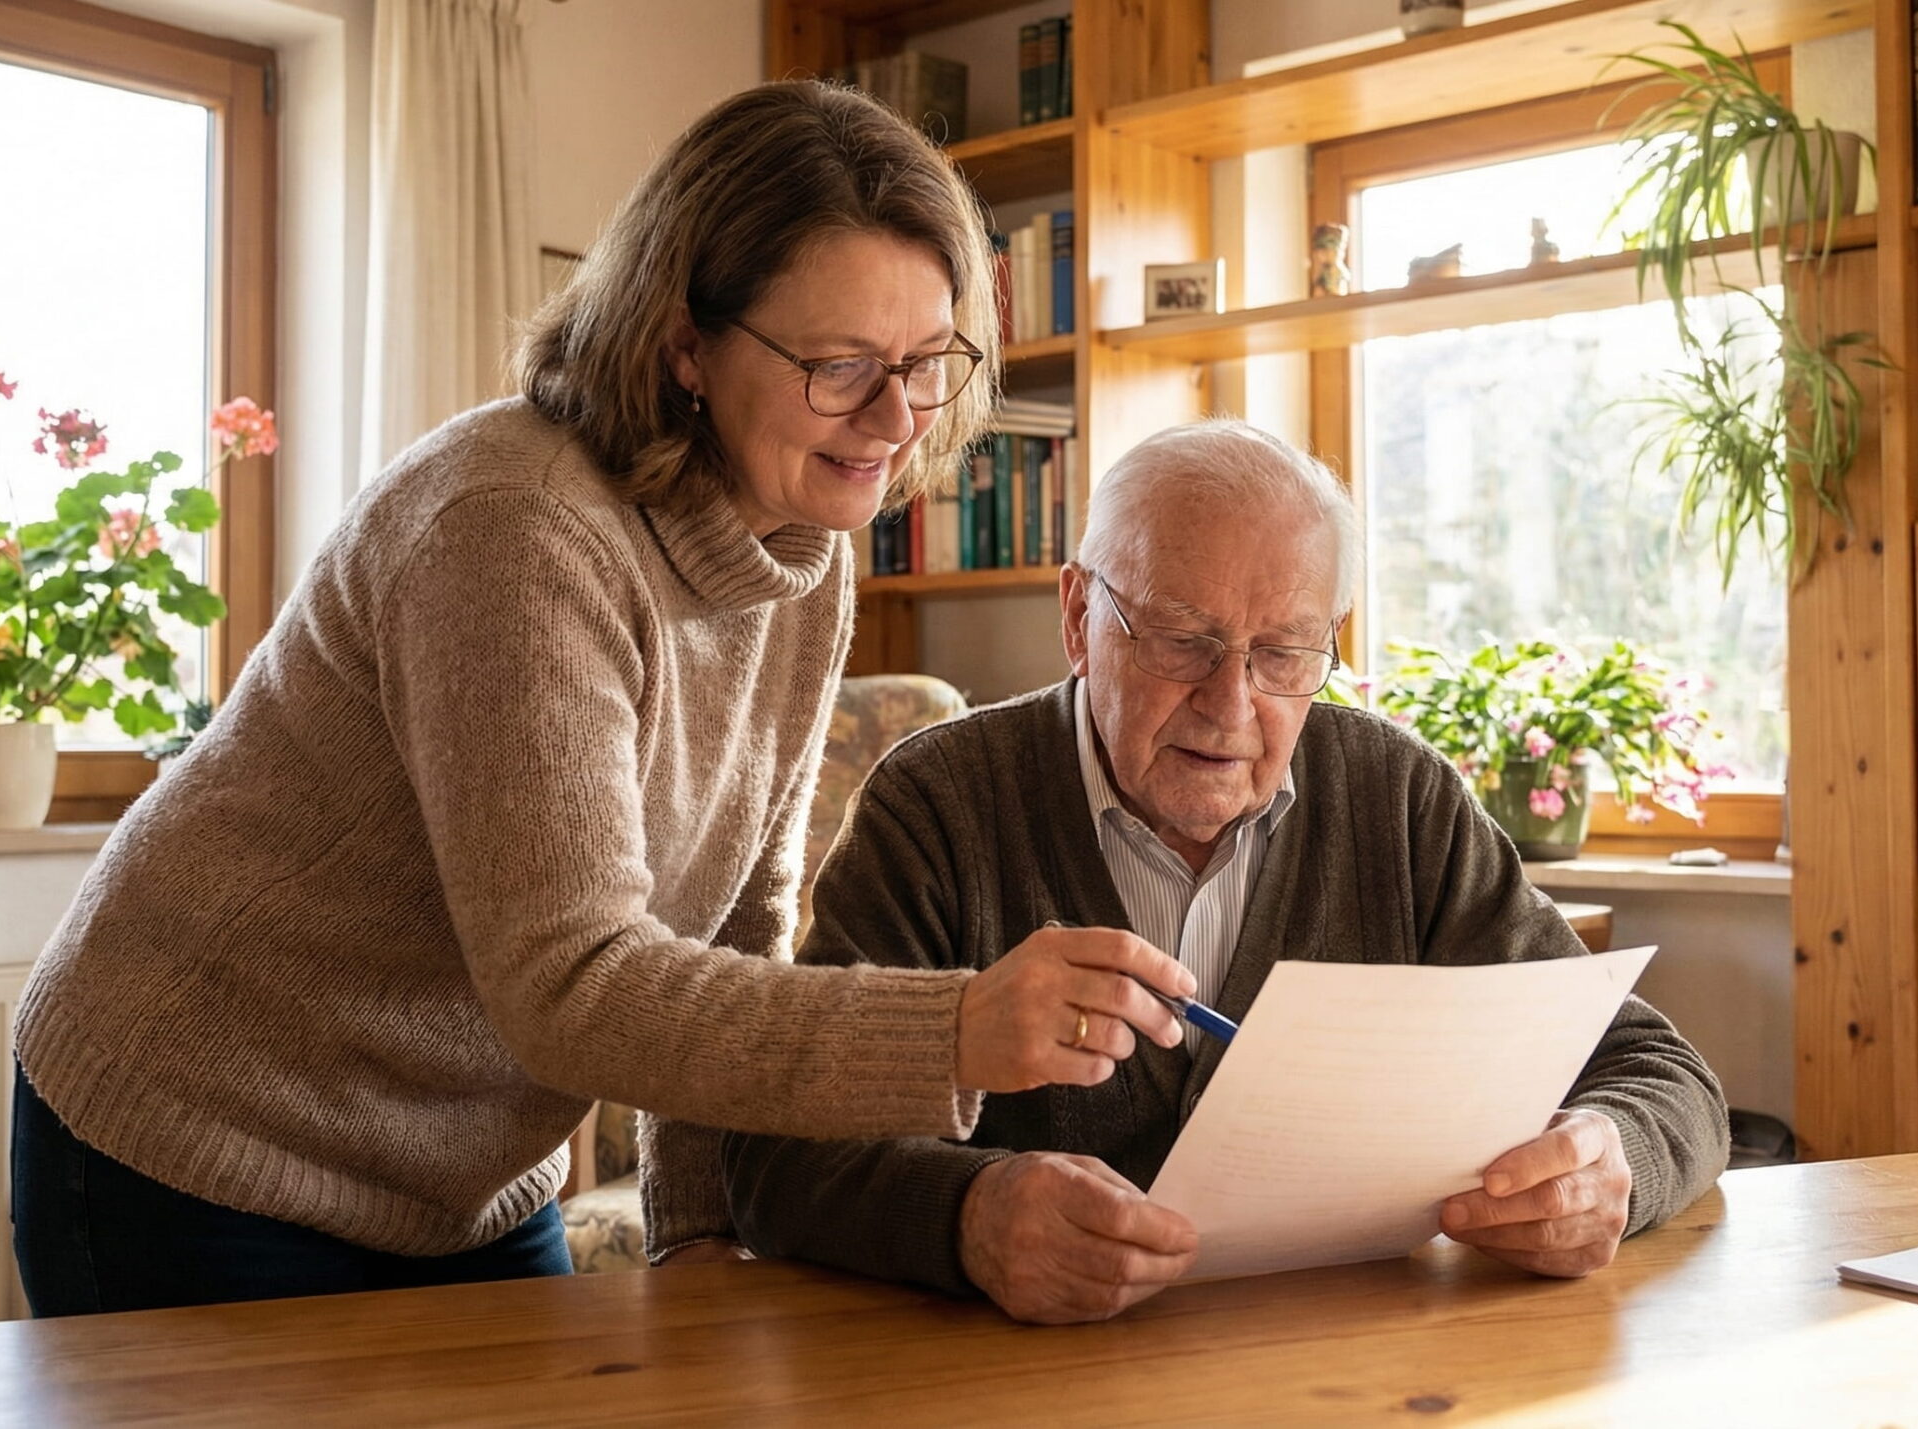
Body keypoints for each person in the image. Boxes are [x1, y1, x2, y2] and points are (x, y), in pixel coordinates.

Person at [7, 81, 1199, 1317]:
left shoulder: (801, 547)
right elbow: (574, 985)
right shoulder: (515, 529)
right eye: (841, 366)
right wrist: (954, 1030)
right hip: (197, 1140)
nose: (896, 420)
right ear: (685, 344)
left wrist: (695, 1239)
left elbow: (732, 927)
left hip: (465, 1178)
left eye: (928, 362)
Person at [721, 420, 1729, 1325]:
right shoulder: (940, 802)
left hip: (1355, 1369)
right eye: (1182, 640)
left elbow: (1664, 1074)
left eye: (1284, 653)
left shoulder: (1395, 796)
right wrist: (969, 1216)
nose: (1231, 703)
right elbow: (775, 1155)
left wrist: (1610, 1163)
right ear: (1078, 618)